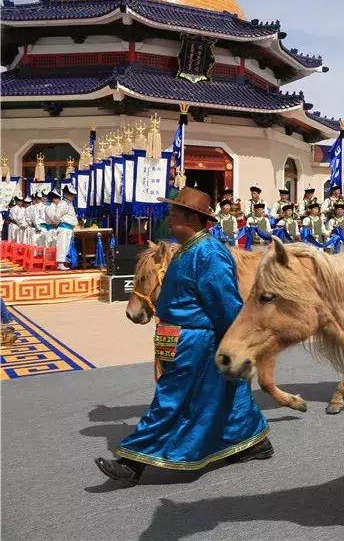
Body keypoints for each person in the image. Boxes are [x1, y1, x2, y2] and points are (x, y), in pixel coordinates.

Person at [94, 187, 271, 487]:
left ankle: (132, 461)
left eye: (174, 212)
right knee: (227, 391)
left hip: (197, 340)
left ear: (191, 219)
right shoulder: (186, 249)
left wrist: (237, 341)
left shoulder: (209, 253)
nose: (169, 216)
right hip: (179, 335)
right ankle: (254, 443)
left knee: (171, 397)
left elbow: (226, 303)